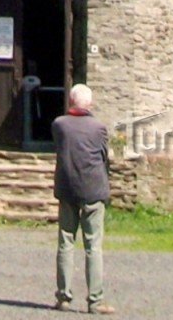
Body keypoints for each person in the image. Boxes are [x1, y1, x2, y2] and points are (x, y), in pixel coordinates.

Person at [52, 84, 114, 316]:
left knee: (66, 243)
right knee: (93, 246)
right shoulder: (99, 127)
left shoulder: (59, 125)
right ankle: (95, 302)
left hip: (67, 188)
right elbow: (103, 155)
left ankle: (64, 297)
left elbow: (61, 148)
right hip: (93, 189)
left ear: (70, 101)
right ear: (89, 104)